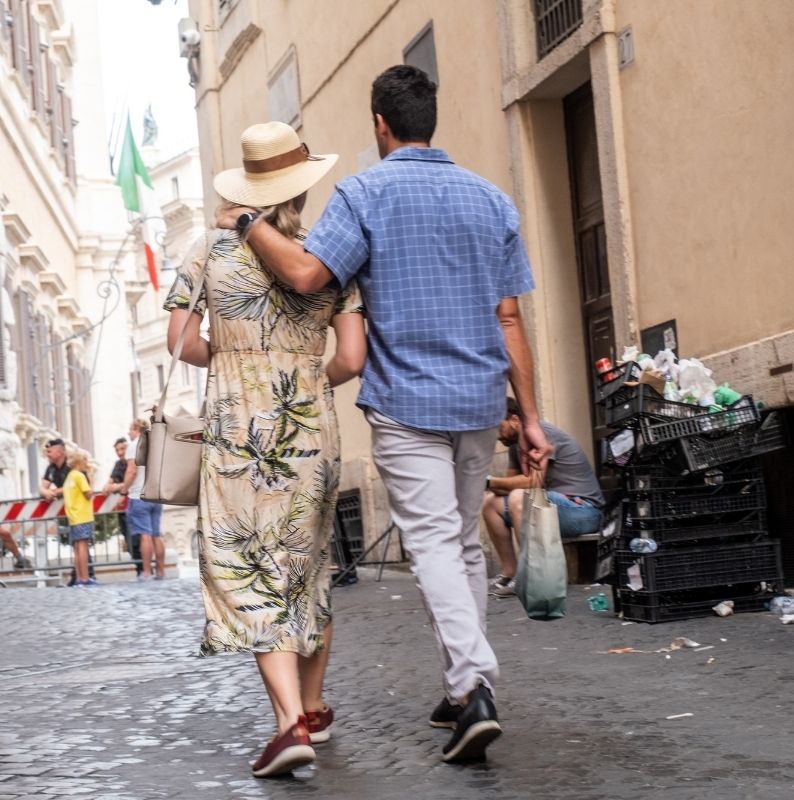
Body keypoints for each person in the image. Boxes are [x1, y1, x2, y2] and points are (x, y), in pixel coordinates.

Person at [216, 65, 552, 764]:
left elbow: (308, 274)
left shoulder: (364, 192)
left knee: (433, 545)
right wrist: (536, 417)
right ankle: (465, 689)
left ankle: (473, 686)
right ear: (431, 119)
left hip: (407, 403)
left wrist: (249, 223)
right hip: (480, 401)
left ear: (380, 124)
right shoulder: (492, 201)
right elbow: (510, 317)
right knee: (460, 542)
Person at [166, 120, 366, 778]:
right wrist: (302, 374)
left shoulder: (208, 250)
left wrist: (233, 362)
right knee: (307, 567)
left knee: (252, 569)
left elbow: (178, 341)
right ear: (301, 189)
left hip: (237, 429)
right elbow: (353, 357)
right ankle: (311, 704)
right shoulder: (331, 254)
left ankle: (287, 727)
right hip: (311, 425)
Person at [484, 398, 604, 598]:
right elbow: (508, 484)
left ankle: (532, 576)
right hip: (556, 506)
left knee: (519, 497)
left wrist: (490, 481)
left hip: (583, 510)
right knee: (490, 503)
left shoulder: (542, 434)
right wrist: (486, 483)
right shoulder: (515, 445)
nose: (495, 435)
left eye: (497, 426)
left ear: (514, 419)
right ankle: (510, 572)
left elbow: (533, 482)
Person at [40, 437, 92, 584]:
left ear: (60, 451)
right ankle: (83, 578)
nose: (47, 454)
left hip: (74, 511)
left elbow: (74, 485)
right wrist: (46, 493)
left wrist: (54, 492)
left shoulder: (71, 468)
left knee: (79, 545)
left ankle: (82, 576)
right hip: (77, 513)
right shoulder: (51, 468)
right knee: (79, 545)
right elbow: (43, 486)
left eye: (50, 451)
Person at [124, 420, 165, 580]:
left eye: (130, 429)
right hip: (156, 493)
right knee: (156, 535)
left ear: (135, 429)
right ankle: (161, 571)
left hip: (138, 494)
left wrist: (124, 488)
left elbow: (131, 470)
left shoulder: (134, 444)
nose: (128, 433)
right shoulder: (155, 444)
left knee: (145, 535)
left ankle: (147, 572)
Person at [100, 436, 141, 576]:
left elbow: (133, 481)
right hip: (123, 509)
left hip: (135, 504)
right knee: (128, 540)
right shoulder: (118, 465)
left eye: (122, 449)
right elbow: (108, 483)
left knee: (138, 539)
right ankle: (139, 569)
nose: (120, 452)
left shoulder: (135, 461)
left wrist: (117, 486)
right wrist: (107, 486)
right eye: (117, 450)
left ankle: (144, 569)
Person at [63, 450, 96, 587]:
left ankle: (79, 578)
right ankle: (84, 577)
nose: (86, 463)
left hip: (73, 516)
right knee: (83, 547)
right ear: (79, 462)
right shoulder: (79, 476)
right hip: (83, 515)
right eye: (85, 460)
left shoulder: (69, 477)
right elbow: (88, 493)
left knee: (77, 548)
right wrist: (91, 477)